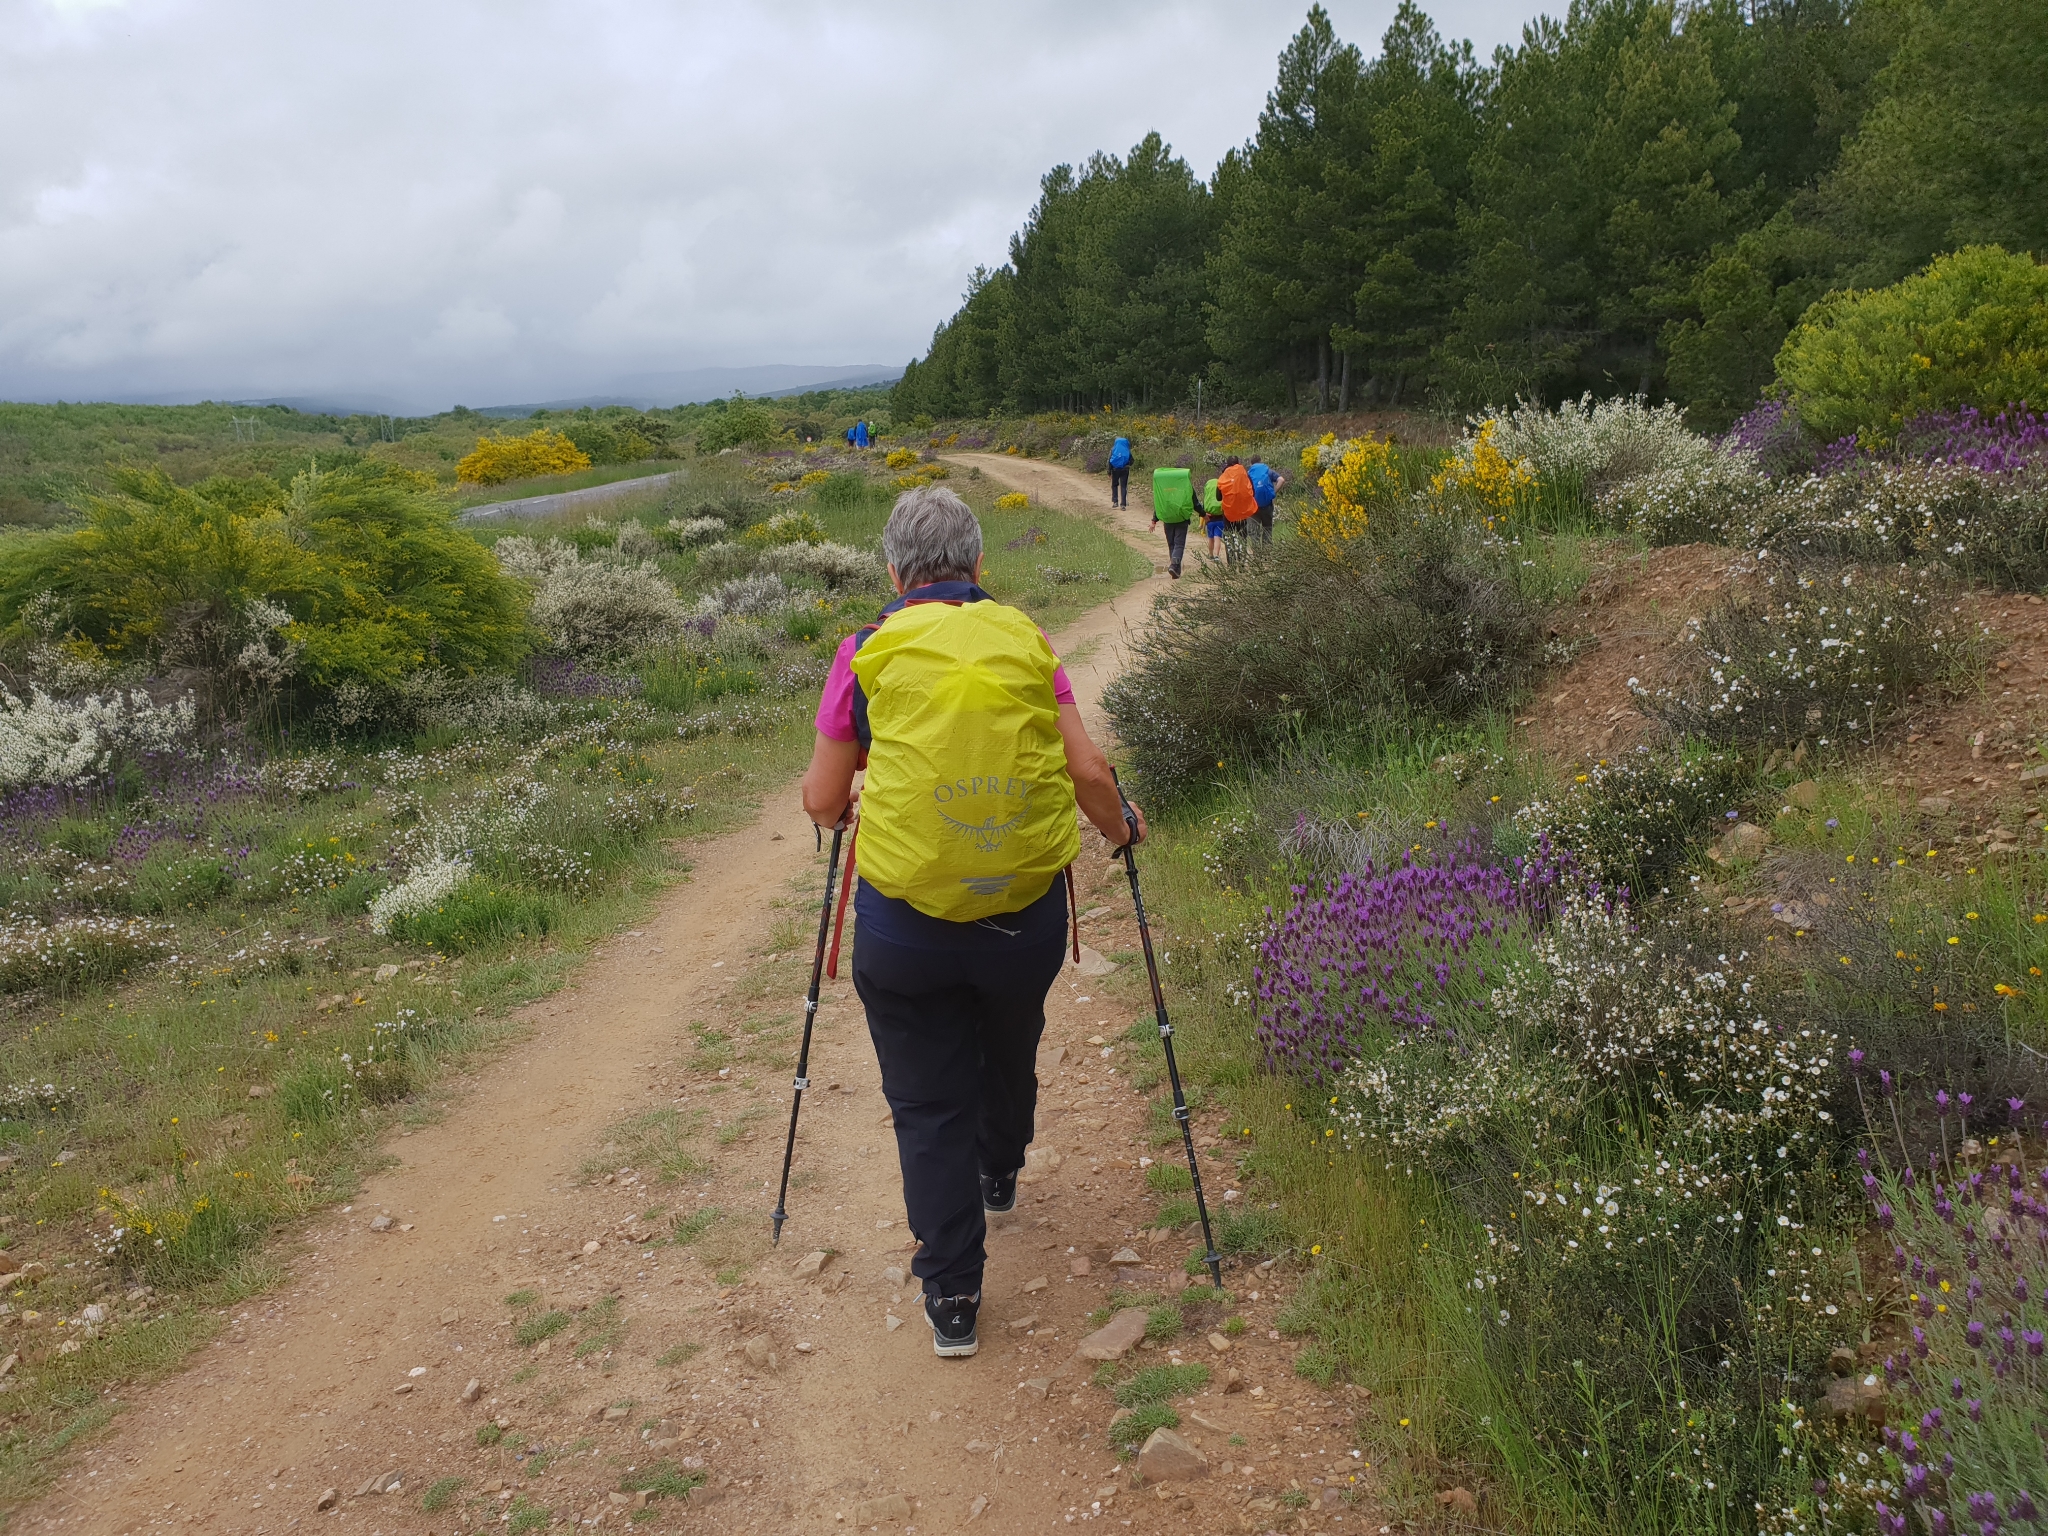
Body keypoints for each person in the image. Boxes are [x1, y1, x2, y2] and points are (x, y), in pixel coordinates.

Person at [800, 486, 1146, 1359]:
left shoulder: (864, 651)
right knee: (1009, 1042)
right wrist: (1122, 829)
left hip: (903, 927)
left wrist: (845, 808)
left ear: (893, 571)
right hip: (1021, 919)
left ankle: (953, 1295)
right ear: (979, 563)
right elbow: (1088, 771)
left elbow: (822, 798)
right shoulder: (1026, 639)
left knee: (926, 1101)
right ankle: (1001, 1165)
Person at [1149, 465, 1198, 579]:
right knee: (1179, 544)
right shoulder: (1185, 486)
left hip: (1168, 519)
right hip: (1181, 519)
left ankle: (1175, 570)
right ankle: (1174, 565)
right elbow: (1194, 501)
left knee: (1172, 545)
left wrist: (1154, 520)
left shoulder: (1165, 488)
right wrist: (1203, 514)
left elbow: (1160, 505)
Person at [1247, 457, 1287, 543]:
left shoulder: (1249, 473)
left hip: (1253, 506)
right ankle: (1267, 549)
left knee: (1254, 531)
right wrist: (1273, 492)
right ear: (1260, 461)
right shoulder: (1268, 471)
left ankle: (1256, 550)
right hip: (1267, 504)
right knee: (1267, 528)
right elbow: (1281, 480)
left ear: (1251, 464)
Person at [1201, 470, 1226, 560]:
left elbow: (1203, 506)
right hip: (1220, 518)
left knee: (1211, 538)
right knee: (1217, 537)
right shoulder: (1221, 487)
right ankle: (1216, 556)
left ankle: (1211, 554)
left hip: (1210, 518)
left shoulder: (1208, 495)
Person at [1107, 435, 1132, 509]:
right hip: (1125, 469)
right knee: (1123, 486)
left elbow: (1109, 461)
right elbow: (1132, 460)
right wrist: (1127, 464)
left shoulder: (1113, 449)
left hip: (1115, 469)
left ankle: (1115, 502)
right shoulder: (1126, 449)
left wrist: (1109, 471)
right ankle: (1123, 504)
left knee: (1114, 485)